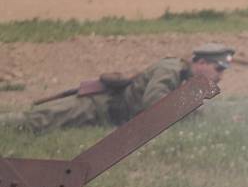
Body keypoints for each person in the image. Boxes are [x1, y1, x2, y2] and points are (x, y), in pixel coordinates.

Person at [0, 44, 235, 133]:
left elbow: (194, 118)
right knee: (34, 121)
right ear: (201, 63)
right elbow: (156, 105)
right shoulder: (170, 69)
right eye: (219, 69)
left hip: (107, 117)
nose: (221, 76)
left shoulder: (187, 80)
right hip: (95, 107)